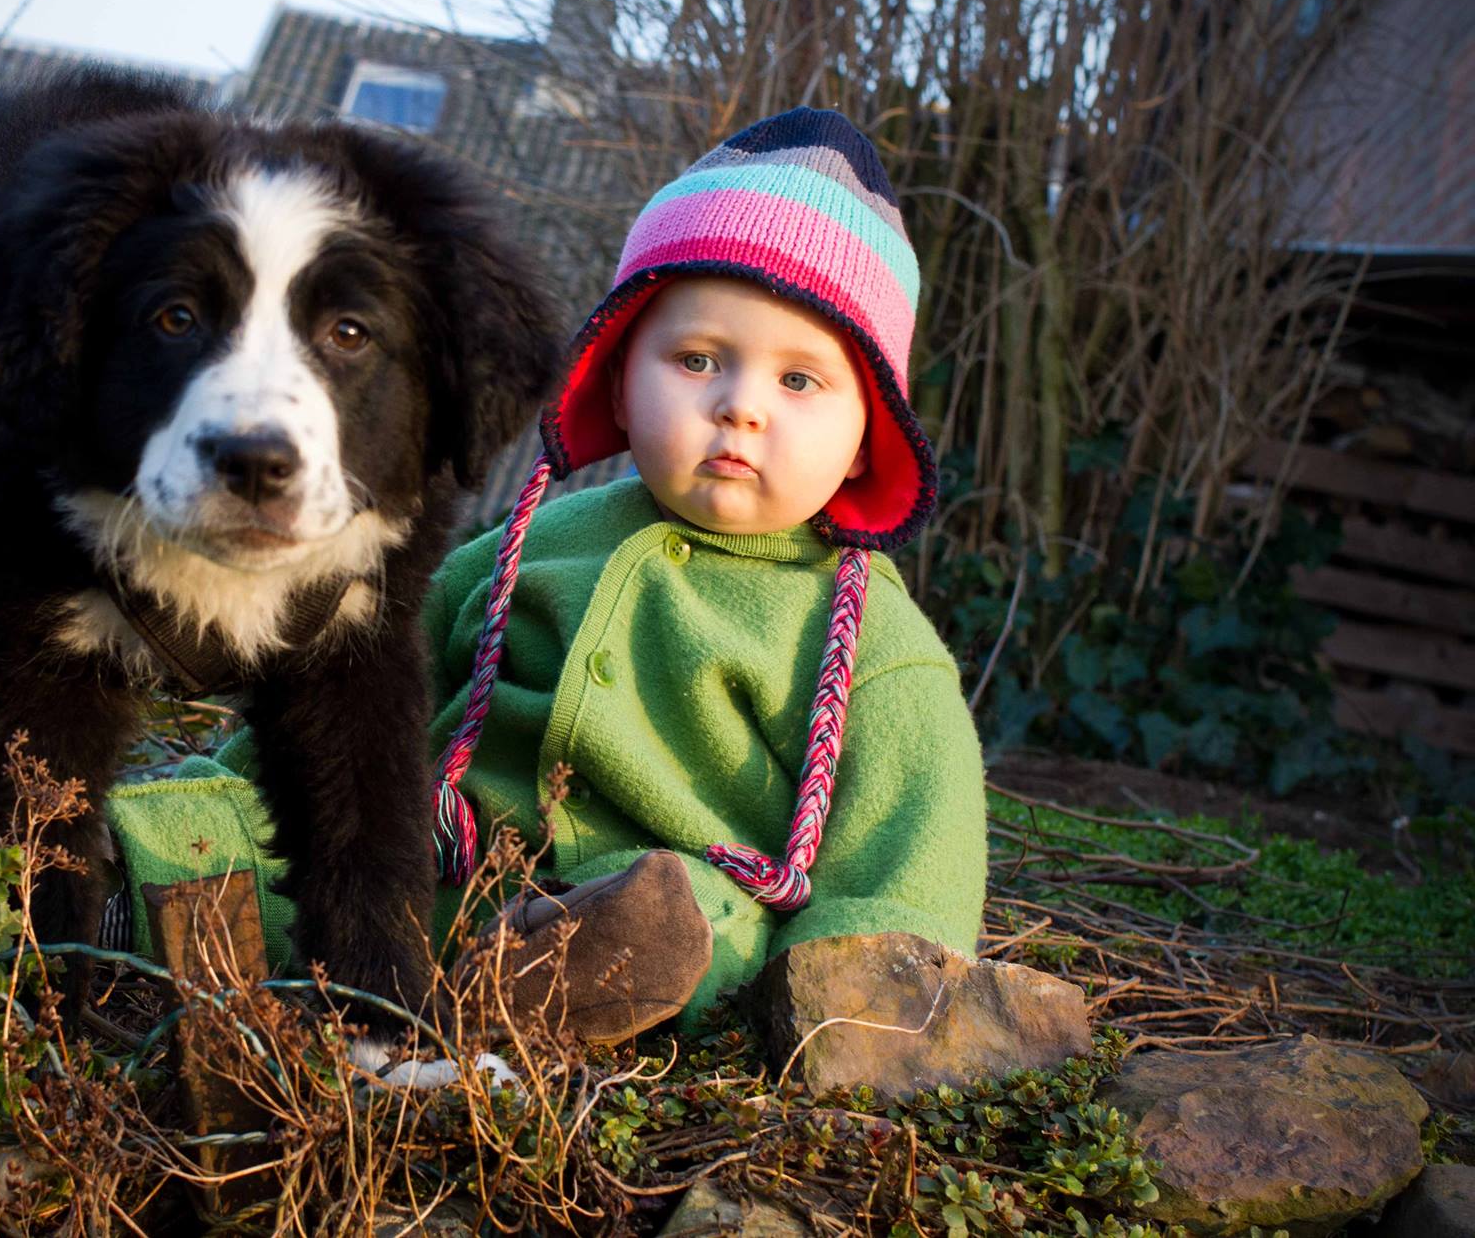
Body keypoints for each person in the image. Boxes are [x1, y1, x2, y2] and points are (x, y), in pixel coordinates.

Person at [106, 108, 987, 1038]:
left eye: (799, 381)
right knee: (272, 834)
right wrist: (229, 786)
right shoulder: (535, 542)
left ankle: (544, 992)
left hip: (646, 897)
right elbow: (353, 692)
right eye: (698, 360)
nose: (741, 408)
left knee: (687, 913)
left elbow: (910, 850)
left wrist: (859, 1006)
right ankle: (88, 884)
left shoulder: (873, 646)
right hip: (423, 874)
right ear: (616, 379)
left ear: (865, 438)